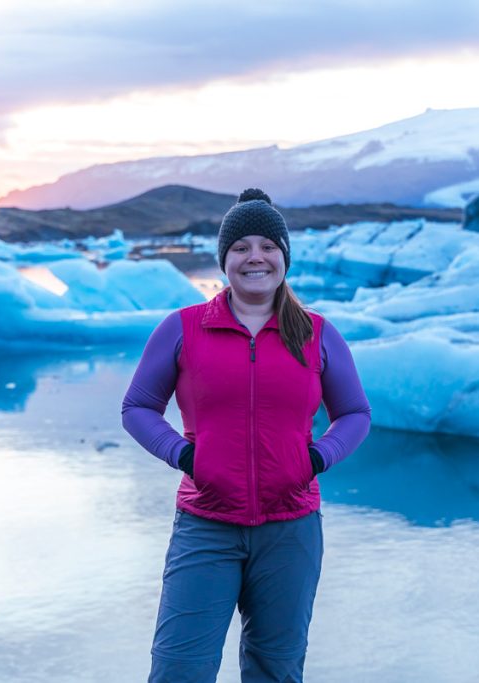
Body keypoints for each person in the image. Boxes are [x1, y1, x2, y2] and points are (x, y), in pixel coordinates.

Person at [122, 188, 371, 683]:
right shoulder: (183, 329)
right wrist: (184, 455)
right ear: (224, 260)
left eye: (267, 246)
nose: (255, 257)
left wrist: (317, 459)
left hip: (291, 528)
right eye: (240, 247)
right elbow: (138, 408)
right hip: (206, 525)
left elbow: (355, 414)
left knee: (274, 671)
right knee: (179, 669)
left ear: (284, 258)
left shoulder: (318, 334)